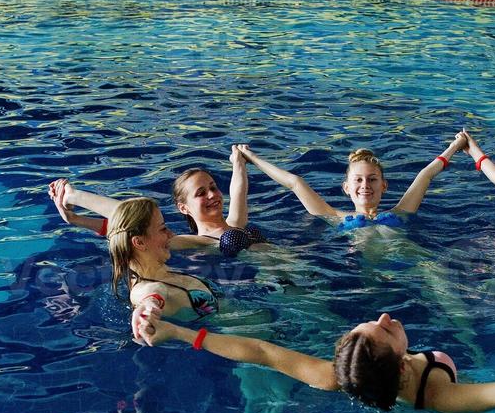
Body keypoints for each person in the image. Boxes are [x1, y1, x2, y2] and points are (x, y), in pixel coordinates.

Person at [134, 312, 495, 413]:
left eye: (373, 324)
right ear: (400, 363)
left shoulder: (336, 377)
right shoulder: (437, 391)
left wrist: (180, 333)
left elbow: (260, 352)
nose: (385, 318)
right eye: (384, 330)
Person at [48, 146, 263, 256]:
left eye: (213, 188)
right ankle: (73, 196)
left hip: (291, 271)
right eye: (200, 193)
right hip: (269, 287)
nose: (212, 195)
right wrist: (75, 207)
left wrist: (238, 160)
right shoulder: (194, 242)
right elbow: (133, 221)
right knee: (143, 214)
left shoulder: (236, 223)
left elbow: (238, 192)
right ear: (183, 208)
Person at [236, 134, 467, 229]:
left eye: (372, 179)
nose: (365, 185)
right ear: (346, 188)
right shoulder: (334, 216)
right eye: (358, 180)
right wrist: (252, 158)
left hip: (404, 269)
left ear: (384, 186)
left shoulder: (402, 211)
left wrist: (455, 146)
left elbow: (425, 175)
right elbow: (294, 182)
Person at [106, 197, 225, 340]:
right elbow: (151, 295)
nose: (170, 234)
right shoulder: (144, 288)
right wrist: (149, 308)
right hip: (232, 342)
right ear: (139, 242)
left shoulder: (161, 268)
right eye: (163, 229)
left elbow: (122, 229)